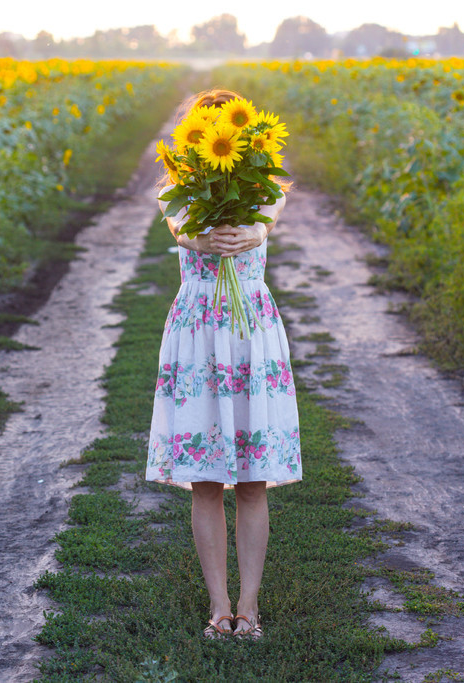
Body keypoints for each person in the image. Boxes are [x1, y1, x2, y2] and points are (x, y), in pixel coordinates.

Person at [145, 89, 302, 640]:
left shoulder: (260, 186)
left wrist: (256, 229)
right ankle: (218, 607)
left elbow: (273, 210)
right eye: (207, 125)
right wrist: (204, 237)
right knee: (207, 480)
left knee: (253, 480)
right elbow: (179, 226)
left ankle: (250, 608)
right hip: (198, 335)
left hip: (250, 335)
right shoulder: (178, 189)